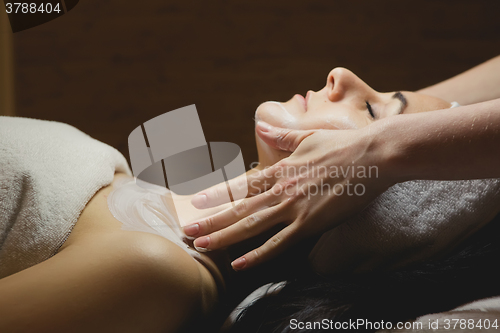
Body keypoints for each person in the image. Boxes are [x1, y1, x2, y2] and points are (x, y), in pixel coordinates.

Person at [0, 64, 498, 333]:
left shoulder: (155, 268)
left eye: (371, 109)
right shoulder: (158, 206)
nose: (341, 75)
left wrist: (389, 146)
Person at [184, 56, 500, 271]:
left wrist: (379, 148)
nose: (341, 74)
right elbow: (443, 119)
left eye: (373, 113)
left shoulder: (167, 270)